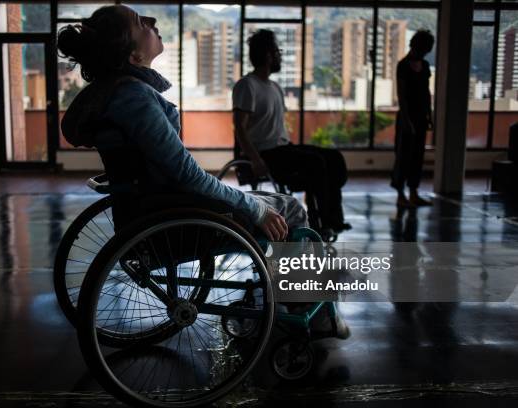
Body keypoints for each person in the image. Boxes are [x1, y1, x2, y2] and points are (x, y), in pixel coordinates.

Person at [57, 5, 348, 338]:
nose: (152, 22)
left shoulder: (113, 94)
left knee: (278, 196)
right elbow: (187, 174)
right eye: (141, 23)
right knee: (292, 209)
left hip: (158, 208)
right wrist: (253, 207)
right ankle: (305, 310)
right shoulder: (134, 98)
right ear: (134, 55)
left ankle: (284, 294)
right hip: (174, 218)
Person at [232, 29, 351, 237]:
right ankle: (320, 223)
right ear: (268, 55)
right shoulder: (247, 85)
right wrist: (255, 159)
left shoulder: (275, 87)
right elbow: (240, 128)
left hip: (283, 148)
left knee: (334, 157)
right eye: (277, 51)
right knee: (316, 163)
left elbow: (277, 127)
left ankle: (333, 217)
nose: (280, 56)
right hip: (265, 153)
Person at [391, 30, 435, 207]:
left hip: (420, 117)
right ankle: (401, 196)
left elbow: (427, 93)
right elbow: (401, 96)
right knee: (403, 156)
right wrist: (407, 121)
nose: (425, 52)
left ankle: (414, 193)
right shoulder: (402, 65)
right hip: (407, 117)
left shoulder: (424, 66)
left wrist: (429, 115)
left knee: (417, 156)